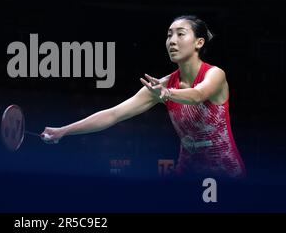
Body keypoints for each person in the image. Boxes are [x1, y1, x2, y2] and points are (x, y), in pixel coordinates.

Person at [41, 15, 246, 179]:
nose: (172, 41)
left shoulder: (214, 74)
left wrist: (169, 94)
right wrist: (63, 131)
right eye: (169, 35)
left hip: (225, 173)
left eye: (180, 34)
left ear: (199, 42)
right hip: (187, 174)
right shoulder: (161, 86)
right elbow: (113, 114)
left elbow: (199, 94)